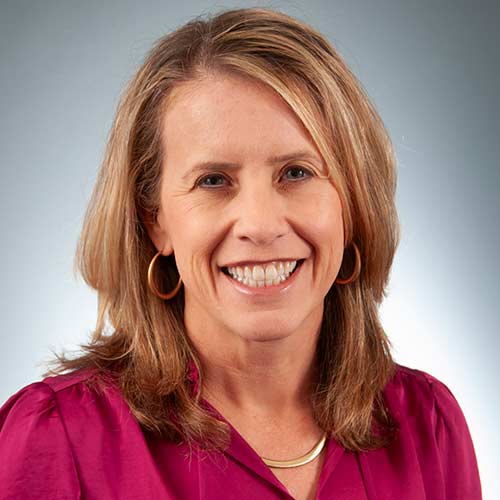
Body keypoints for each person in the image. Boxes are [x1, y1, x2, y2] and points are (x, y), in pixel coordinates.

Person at [0, 7, 482, 500]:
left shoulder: (429, 425)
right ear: (155, 220)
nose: (261, 225)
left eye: (296, 172)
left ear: (352, 201)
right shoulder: (57, 437)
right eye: (213, 180)